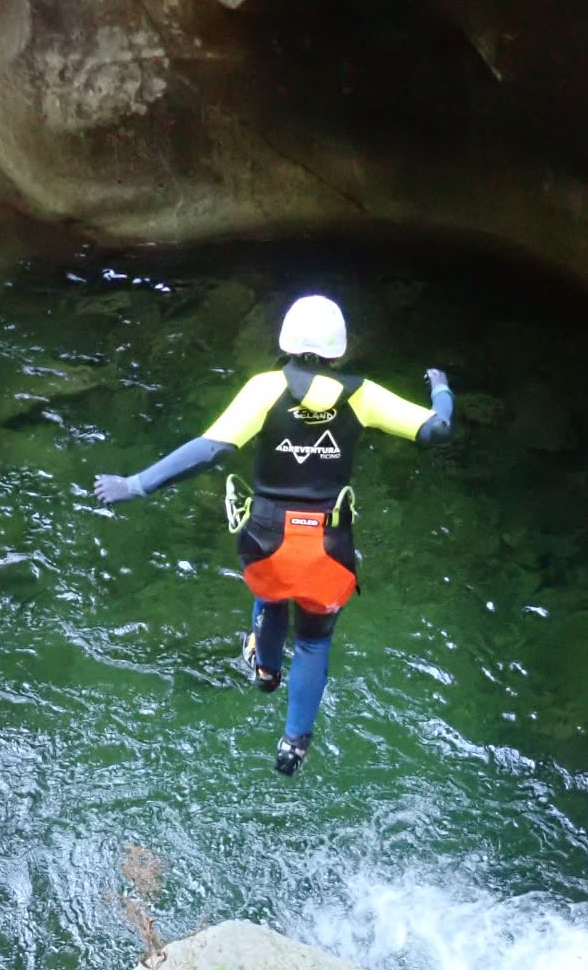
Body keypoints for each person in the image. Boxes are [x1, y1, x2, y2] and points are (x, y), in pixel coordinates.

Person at [93, 294, 454, 775]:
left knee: (271, 592)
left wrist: (136, 484)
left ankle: (264, 671)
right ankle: (293, 746)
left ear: (285, 340)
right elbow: (438, 430)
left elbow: (209, 450)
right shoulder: (362, 395)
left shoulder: (265, 389)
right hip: (328, 547)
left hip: (265, 540)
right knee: (314, 641)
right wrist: (442, 389)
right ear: (339, 349)